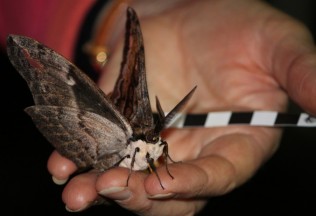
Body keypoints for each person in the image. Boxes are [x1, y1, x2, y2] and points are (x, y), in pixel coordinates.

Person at [1, 0, 316, 215]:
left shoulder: (153, 142)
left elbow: (158, 144)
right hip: (101, 138)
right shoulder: (129, 135)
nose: (157, 145)